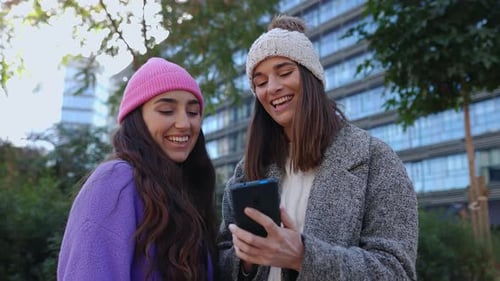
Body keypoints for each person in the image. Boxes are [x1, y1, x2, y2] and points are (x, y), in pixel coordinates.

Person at [217, 15, 418, 281]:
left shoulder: (374, 158)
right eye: (261, 82)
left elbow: (396, 272)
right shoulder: (249, 168)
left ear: (311, 76)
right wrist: (246, 261)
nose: (273, 88)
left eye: (285, 72)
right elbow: (221, 258)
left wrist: (302, 256)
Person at [57, 57, 218, 281]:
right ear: (137, 119)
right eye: (166, 110)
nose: (184, 123)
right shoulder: (115, 181)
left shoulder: (188, 190)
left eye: (192, 112)